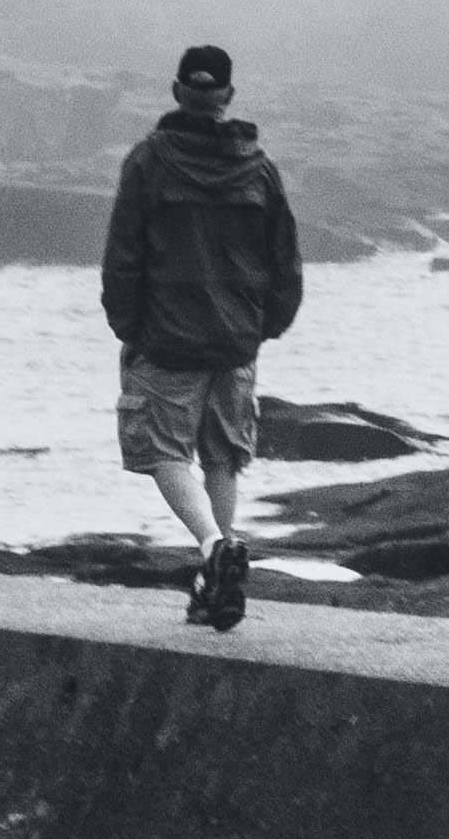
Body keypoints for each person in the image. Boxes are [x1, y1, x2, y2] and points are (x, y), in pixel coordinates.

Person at [100, 41, 307, 629]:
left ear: (176, 93)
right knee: (223, 457)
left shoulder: (148, 161)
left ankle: (215, 549)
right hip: (236, 341)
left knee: (163, 451)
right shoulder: (259, 168)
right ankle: (215, 585)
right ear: (228, 98)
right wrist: (265, 327)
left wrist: (128, 326)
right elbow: (285, 261)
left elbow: (123, 255)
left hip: (166, 338)